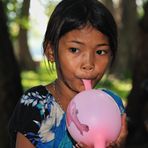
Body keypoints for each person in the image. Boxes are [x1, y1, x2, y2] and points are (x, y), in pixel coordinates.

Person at [9, 0, 127, 147]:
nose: (89, 64)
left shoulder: (112, 106)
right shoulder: (35, 105)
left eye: (100, 52)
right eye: (74, 50)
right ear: (51, 51)